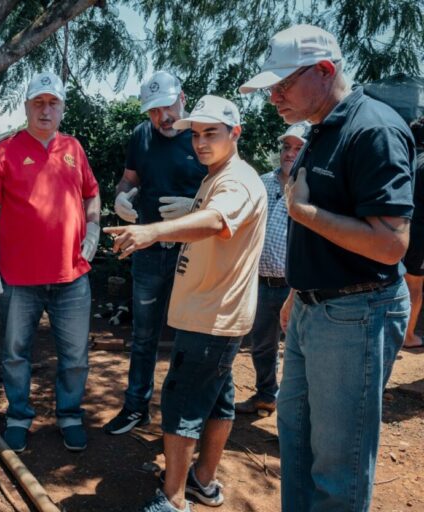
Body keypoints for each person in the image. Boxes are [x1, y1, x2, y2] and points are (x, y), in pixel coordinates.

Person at [239, 24, 415, 512]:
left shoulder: (372, 129)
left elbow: (390, 244)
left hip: (356, 312)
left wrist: (305, 213)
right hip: (315, 309)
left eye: (282, 84)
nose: (273, 96)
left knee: (338, 465)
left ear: (324, 71)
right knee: (296, 443)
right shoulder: (321, 130)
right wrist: (299, 293)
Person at [106, 95, 267, 512]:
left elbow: (217, 221)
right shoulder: (217, 175)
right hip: (213, 313)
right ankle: (203, 482)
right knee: (218, 399)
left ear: (236, 133)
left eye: (210, 133)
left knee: (181, 404)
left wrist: (153, 232)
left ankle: (173, 499)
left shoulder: (236, 180)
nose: (199, 142)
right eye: (195, 134)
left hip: (210, 318)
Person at [0, 71, 101, 453]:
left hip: (72, 276)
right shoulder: (5, 150)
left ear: (62, 108)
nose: (46, 110)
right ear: (26, 106)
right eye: (38, 103)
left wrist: (93, 228)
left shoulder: (74, 148)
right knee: (15, 352)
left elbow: (92, 194)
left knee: (76, 355)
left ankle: (69, 415)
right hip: (18, 277)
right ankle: (18, 415)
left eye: (53, 103)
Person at [104, 71, 207, 435]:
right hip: (147, 250)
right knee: (144, 335)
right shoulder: (141, 135)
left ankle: (180, 418)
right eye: (153, 110)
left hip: (191, 253)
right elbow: (130, 178)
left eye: (167, 106)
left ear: (183, 96)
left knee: (187, 338)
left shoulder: (204, 136)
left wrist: (195, 206)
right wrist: (121, 197)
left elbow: (228, 193)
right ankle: (136, 407)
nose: (162, 116)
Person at [235, 121, 309, 416]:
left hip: (298, 285)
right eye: (286, 147)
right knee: (262, 346)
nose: (289, 153)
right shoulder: (262, 182)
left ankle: (296, 411)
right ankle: (267, 394)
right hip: (261, 283)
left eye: (298, 148)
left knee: (298, 351)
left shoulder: (312, 188)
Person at [403, 117, 424, 349]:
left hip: (398, 230)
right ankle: (408, 336)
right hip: (419, 235)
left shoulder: (405, 160)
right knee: (414, 285)